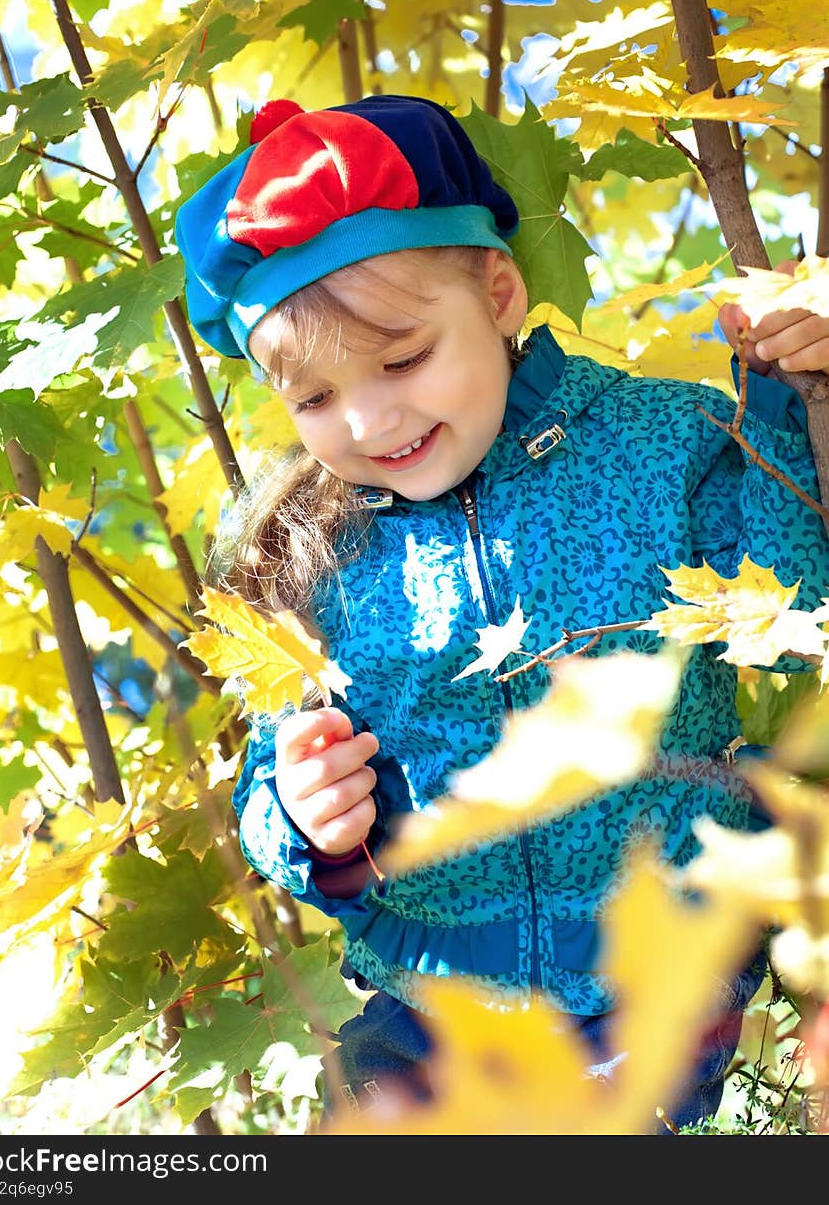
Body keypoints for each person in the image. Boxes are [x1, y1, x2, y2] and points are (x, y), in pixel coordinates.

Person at [175, 92, 829, 1132]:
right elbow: (275, 758)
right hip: (429, 979)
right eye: (312, 400)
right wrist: (306, 821)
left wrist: (801, 402)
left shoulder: (660, 443)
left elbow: (802, 603)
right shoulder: (313, 547)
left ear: (500, 291)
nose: (368, 417)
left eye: (401, 359)